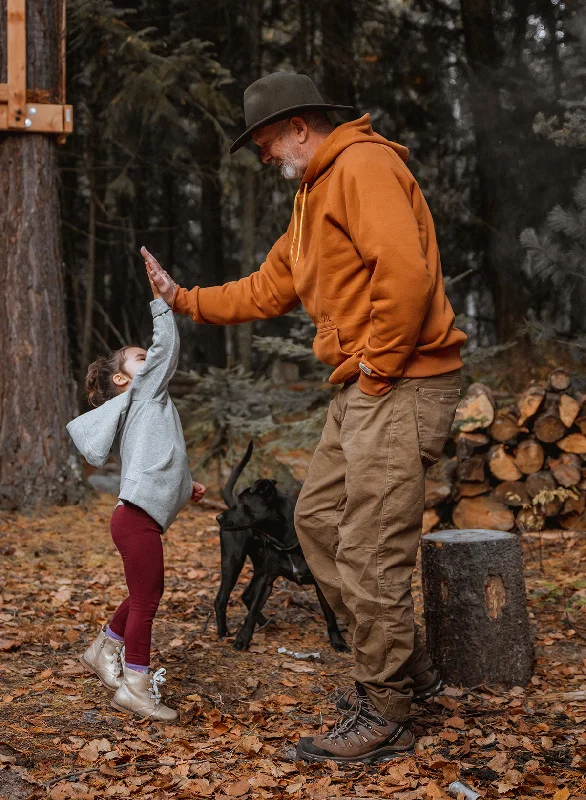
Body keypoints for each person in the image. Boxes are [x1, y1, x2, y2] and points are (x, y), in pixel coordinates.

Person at [144, 72, 467, 763]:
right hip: (367, 386)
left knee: (369, 546)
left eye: (263, 141)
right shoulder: (313, 191)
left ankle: (387, 710)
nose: (262, 156)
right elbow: (271, 286)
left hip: (400, 383)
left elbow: (405, 276)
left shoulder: (363, 166)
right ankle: (406, 671)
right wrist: (185, 298)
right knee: (317, 521)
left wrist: (378, 365)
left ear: (298, 126)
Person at [67, 256, 205, 722]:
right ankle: (136, 687)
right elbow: (165, 346)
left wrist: (189, 486)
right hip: (134, 521)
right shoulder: (144, 394)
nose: (150, 363)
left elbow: (160, 462)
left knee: (144, 592)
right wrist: (161, 301)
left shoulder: (145, 410)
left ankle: (102, 649)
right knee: (146, 601)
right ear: (126, 379)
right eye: (140, 360)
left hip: (135, 518)